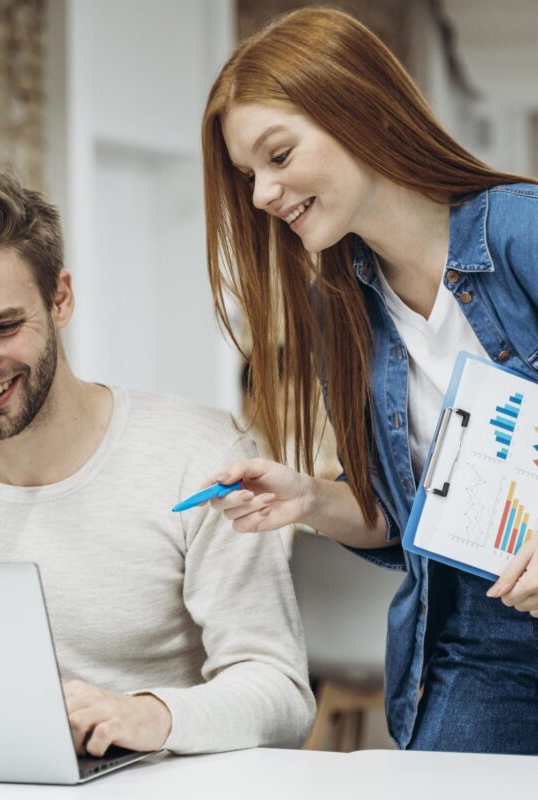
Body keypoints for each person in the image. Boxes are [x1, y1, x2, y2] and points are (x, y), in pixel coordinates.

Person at [199, 7, 538, 754]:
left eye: (279, 156)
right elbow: (400, 522)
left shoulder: (522, 235)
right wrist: (310, 499)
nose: (260, 194)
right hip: (473, 647)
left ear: (361, 113)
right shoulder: (340, 307)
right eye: (250, 175)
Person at [0, 171, 315, 757]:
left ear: (61, 299)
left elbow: (283, 695)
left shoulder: (201, 455)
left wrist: (151, 714)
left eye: (3, 327)